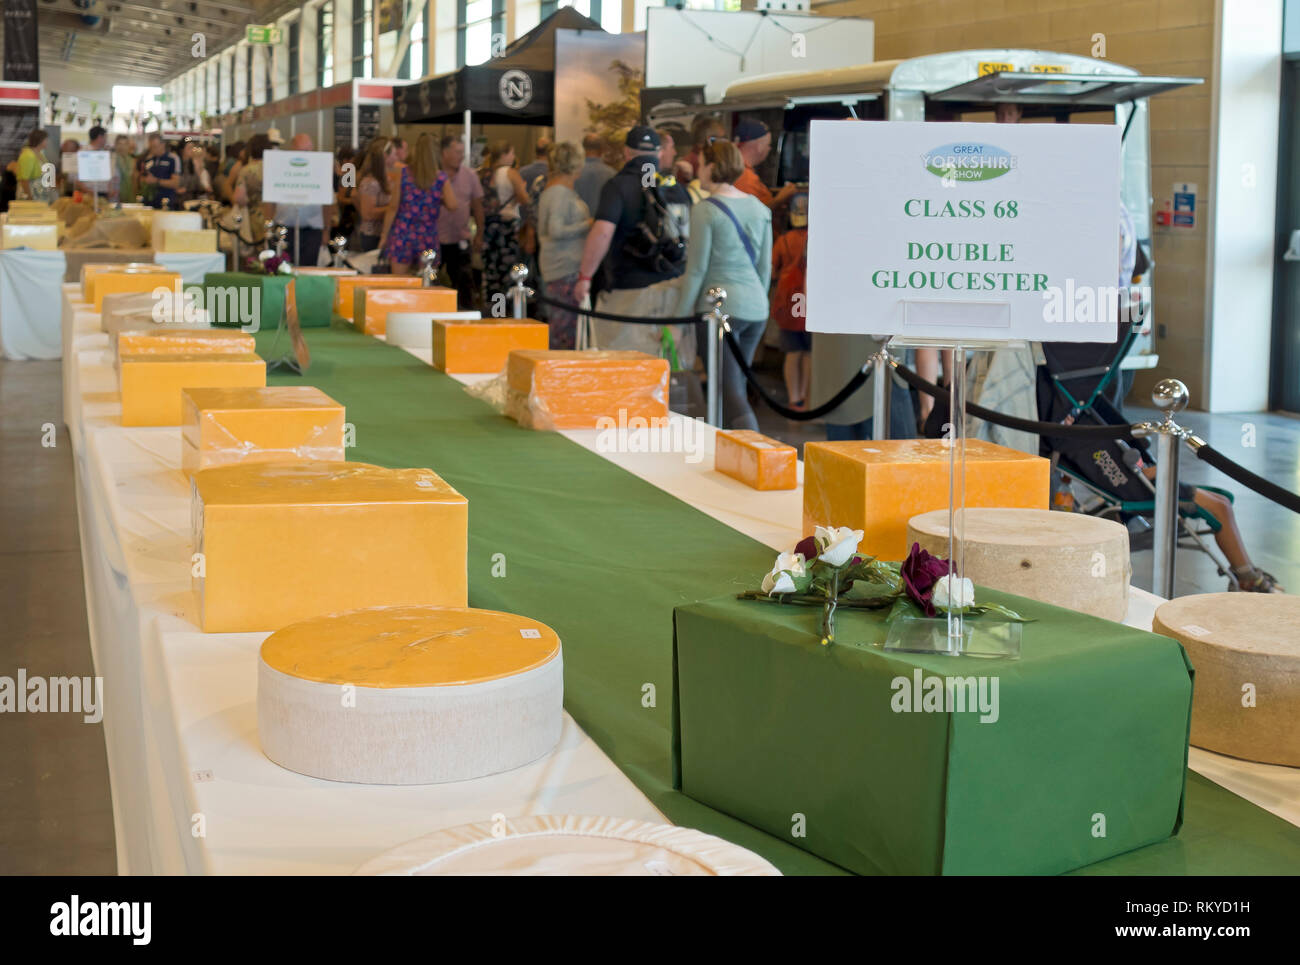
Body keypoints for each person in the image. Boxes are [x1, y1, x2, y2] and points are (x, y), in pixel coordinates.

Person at [674, 139, 771, 430]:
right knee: (735, 384)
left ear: (713, 167)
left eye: (701, 163)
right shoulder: (759, 207)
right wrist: (756, 298)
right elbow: (765, 268)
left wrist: (677, 321)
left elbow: (696, 270)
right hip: (756, 308)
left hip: (720, 309)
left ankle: (756, 455)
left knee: (729, 392)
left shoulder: (705, 210)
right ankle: (735, 455)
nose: (697, 170)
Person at [573, 127, 693, 359]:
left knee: (624, 366)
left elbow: (602, 233)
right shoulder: (675, 187)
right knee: (664, 366)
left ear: (627, 153)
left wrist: (585, 277)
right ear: (659, 153)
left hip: (629, 293)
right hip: (674, 288)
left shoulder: (618, 186)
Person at [536, 141, 592, 349]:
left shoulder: (556, 190)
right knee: (564, 329)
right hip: (563, 268)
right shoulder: (559, 192)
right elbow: (556, 230)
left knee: (564, 326)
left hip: (561, 266)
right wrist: (587, 224)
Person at [379, 132, 458, 275]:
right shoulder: (440, 177)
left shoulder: (403, 173)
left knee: (399, 286)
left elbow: (393, 207)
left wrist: (384, 235)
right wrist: (437, 200)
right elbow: (453, 205)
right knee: (426, 285)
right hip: (428, 235)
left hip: (402, 234)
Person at [264, 133, 331, 267]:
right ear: (292, 149)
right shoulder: (280, 167)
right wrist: (268, 227)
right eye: (301, 151)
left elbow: (327, 203)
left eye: (308, 151)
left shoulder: (320, 169)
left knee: (308, 268)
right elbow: (270, 199)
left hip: (311, 231)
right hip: (284, 228)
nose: (305, 154)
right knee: (281, 268)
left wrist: (326, 231)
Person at [771, 190, 811, 411]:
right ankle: (806, 397)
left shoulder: (784, 240)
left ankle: (793, 398)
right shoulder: (817, 237)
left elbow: (772, 270)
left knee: (792, 352)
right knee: (809, 353)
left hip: (787, 302)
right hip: (811, 302)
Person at [478, 140, 529, 309]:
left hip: (488, 228)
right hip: (507, 228)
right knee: (508, 273)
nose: (514, 156)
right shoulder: (510, 172)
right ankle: (506, 311)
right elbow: (524, 199)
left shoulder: (485, 173)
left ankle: (493, 309)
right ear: (505, 154)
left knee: (492, 272)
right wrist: (522, 189)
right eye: (512, 153)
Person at [437, 135, 485, 311]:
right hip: (434, 240)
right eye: (457, 152)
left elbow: (478, 208)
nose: (461, 156)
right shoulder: (434, 175)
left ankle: (467, 317)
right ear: (444, 153)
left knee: (464, 283)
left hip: (460, 239)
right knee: (432, 282)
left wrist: (479, 234)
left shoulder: (470, 176)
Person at [733, 119, 798, 209]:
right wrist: (780, 199)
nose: (769, 149)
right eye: (768, 144)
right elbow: (756, 213)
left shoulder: (737, 170)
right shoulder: (745, 177)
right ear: (759, 146)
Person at [356, 136, 396, 252]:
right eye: (394, 154)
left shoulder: (386, 179)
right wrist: (392, 208)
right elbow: (367, 214)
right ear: (385, 156)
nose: (396, 158)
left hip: (383, 233)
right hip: (373, 236)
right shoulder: (370, 182)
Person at [573, 133, 615, 215]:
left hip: (578, 223)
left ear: (583, 148)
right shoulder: (612, 173)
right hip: (603, 224)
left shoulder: (573, 173)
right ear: (602, 149)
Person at [140, 132, 181, 210]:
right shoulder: (148, 159)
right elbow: (143, 179)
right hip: (149, 204)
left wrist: (156, 181)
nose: (152, 150)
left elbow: (176, 183)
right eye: (151, 147)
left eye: (155, 147)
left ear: (163, 145)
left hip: (165, 203)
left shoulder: (172, 158)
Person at [17, 129, 53, 202]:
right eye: (46, 140)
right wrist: (29, 197)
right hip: (31, 196)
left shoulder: (41, 155)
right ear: (39, 140)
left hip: (40, 196)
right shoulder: (27, 155)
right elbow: (24, 179)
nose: (47, 142)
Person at [112, 135, 136, 204]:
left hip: (129, 198)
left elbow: (134, 181)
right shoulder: (111, 160)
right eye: (119, 144)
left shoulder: (132, 161)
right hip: (114, 198)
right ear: (115, 145)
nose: (122, 147)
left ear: (128, 146)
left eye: (125, 144)